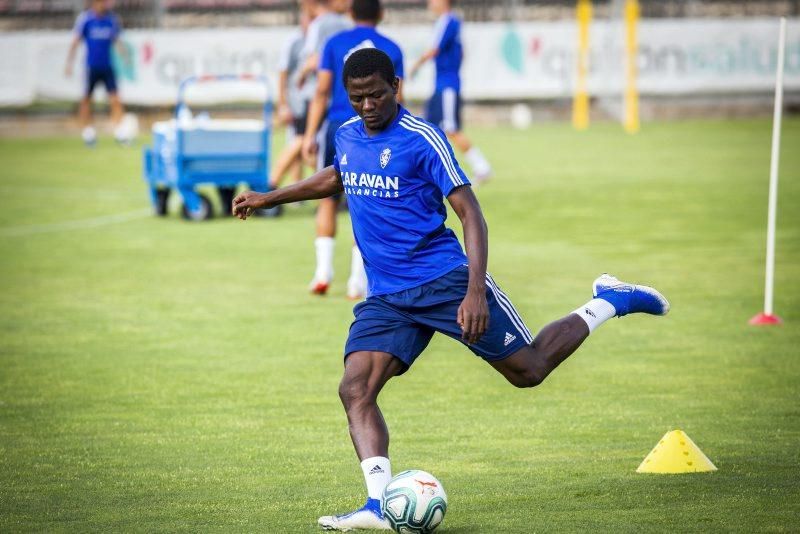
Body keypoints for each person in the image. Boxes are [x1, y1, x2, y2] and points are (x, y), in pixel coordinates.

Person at [232, 48, 669, 531]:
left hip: (446, 282)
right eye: (357, 97)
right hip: (387, 297)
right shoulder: (347, 134)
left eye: (376, 94)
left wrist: (475, 291)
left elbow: (471, 215)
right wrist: (269, 196)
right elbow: (339, 175)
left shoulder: (424, 139)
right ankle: (378, 504)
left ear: (396, 86)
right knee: (355, 388)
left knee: (530, 370)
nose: (367, 105)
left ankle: (609, 299)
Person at [302, 0, 404, 299]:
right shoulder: (392, 48)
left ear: (350, 13)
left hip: (337, 127)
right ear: (381, 14)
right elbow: (400, 97)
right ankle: (357, 281)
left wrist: (310, 133)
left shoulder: (334, 43)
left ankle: (323, 272)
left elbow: (321, 90)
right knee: (368, 201)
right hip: (376, 131)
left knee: (327, 199)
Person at [409, 0, 492, 182]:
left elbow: (433, 50)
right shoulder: (451, 22)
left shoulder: (447, 21)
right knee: (428, 128)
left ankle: (482, 166)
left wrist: (414, 67)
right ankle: (424, 173)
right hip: (443, 85)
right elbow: (461, 53)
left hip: (447, 86)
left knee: (450, 128)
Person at [64, 0, 128, 146]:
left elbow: (117, 40)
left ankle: (120, 132)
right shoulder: (86, 19)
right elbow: (75, 41)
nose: (104, 5)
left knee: (116, 100)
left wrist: (124, 58)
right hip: (91, 67)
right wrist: (69, 64)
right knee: (86, 100)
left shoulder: (111, 19)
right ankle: (88, 133)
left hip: (107, 67)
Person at [270, 9, 313, 190]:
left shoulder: (317, 40)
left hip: (310, 101)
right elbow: (283, 74)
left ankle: (295, 188)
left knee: (298, 144)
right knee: (302, 142)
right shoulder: (294, 42)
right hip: (299, 103)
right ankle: (272, 183)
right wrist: (283, 104)